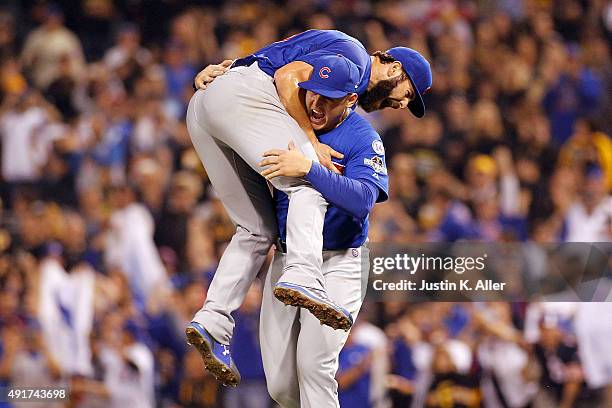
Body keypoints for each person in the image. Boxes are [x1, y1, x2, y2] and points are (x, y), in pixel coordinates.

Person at [186, 29, 431, 387]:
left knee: (256, 229)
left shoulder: (345, 72)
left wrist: (220, 75)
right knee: (307, 179)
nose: (403, 105)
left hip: (211, 101)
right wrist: (311, 141)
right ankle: (303, 274)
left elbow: (273, 59)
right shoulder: (357, 59)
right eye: (407, 94)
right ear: (395, 71)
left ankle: (212, 321)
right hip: (240, 95)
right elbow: (286, 77)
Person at [256, 63, 390, 407]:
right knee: (281, 385)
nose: (316, 103)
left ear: (350, 100)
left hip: (340, 260)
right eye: (314, 91)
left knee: (314, 366)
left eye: (329, 99)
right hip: (287, 257)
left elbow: (362, 201)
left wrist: (309, 170)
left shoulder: (363, 137)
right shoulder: (288, 115)